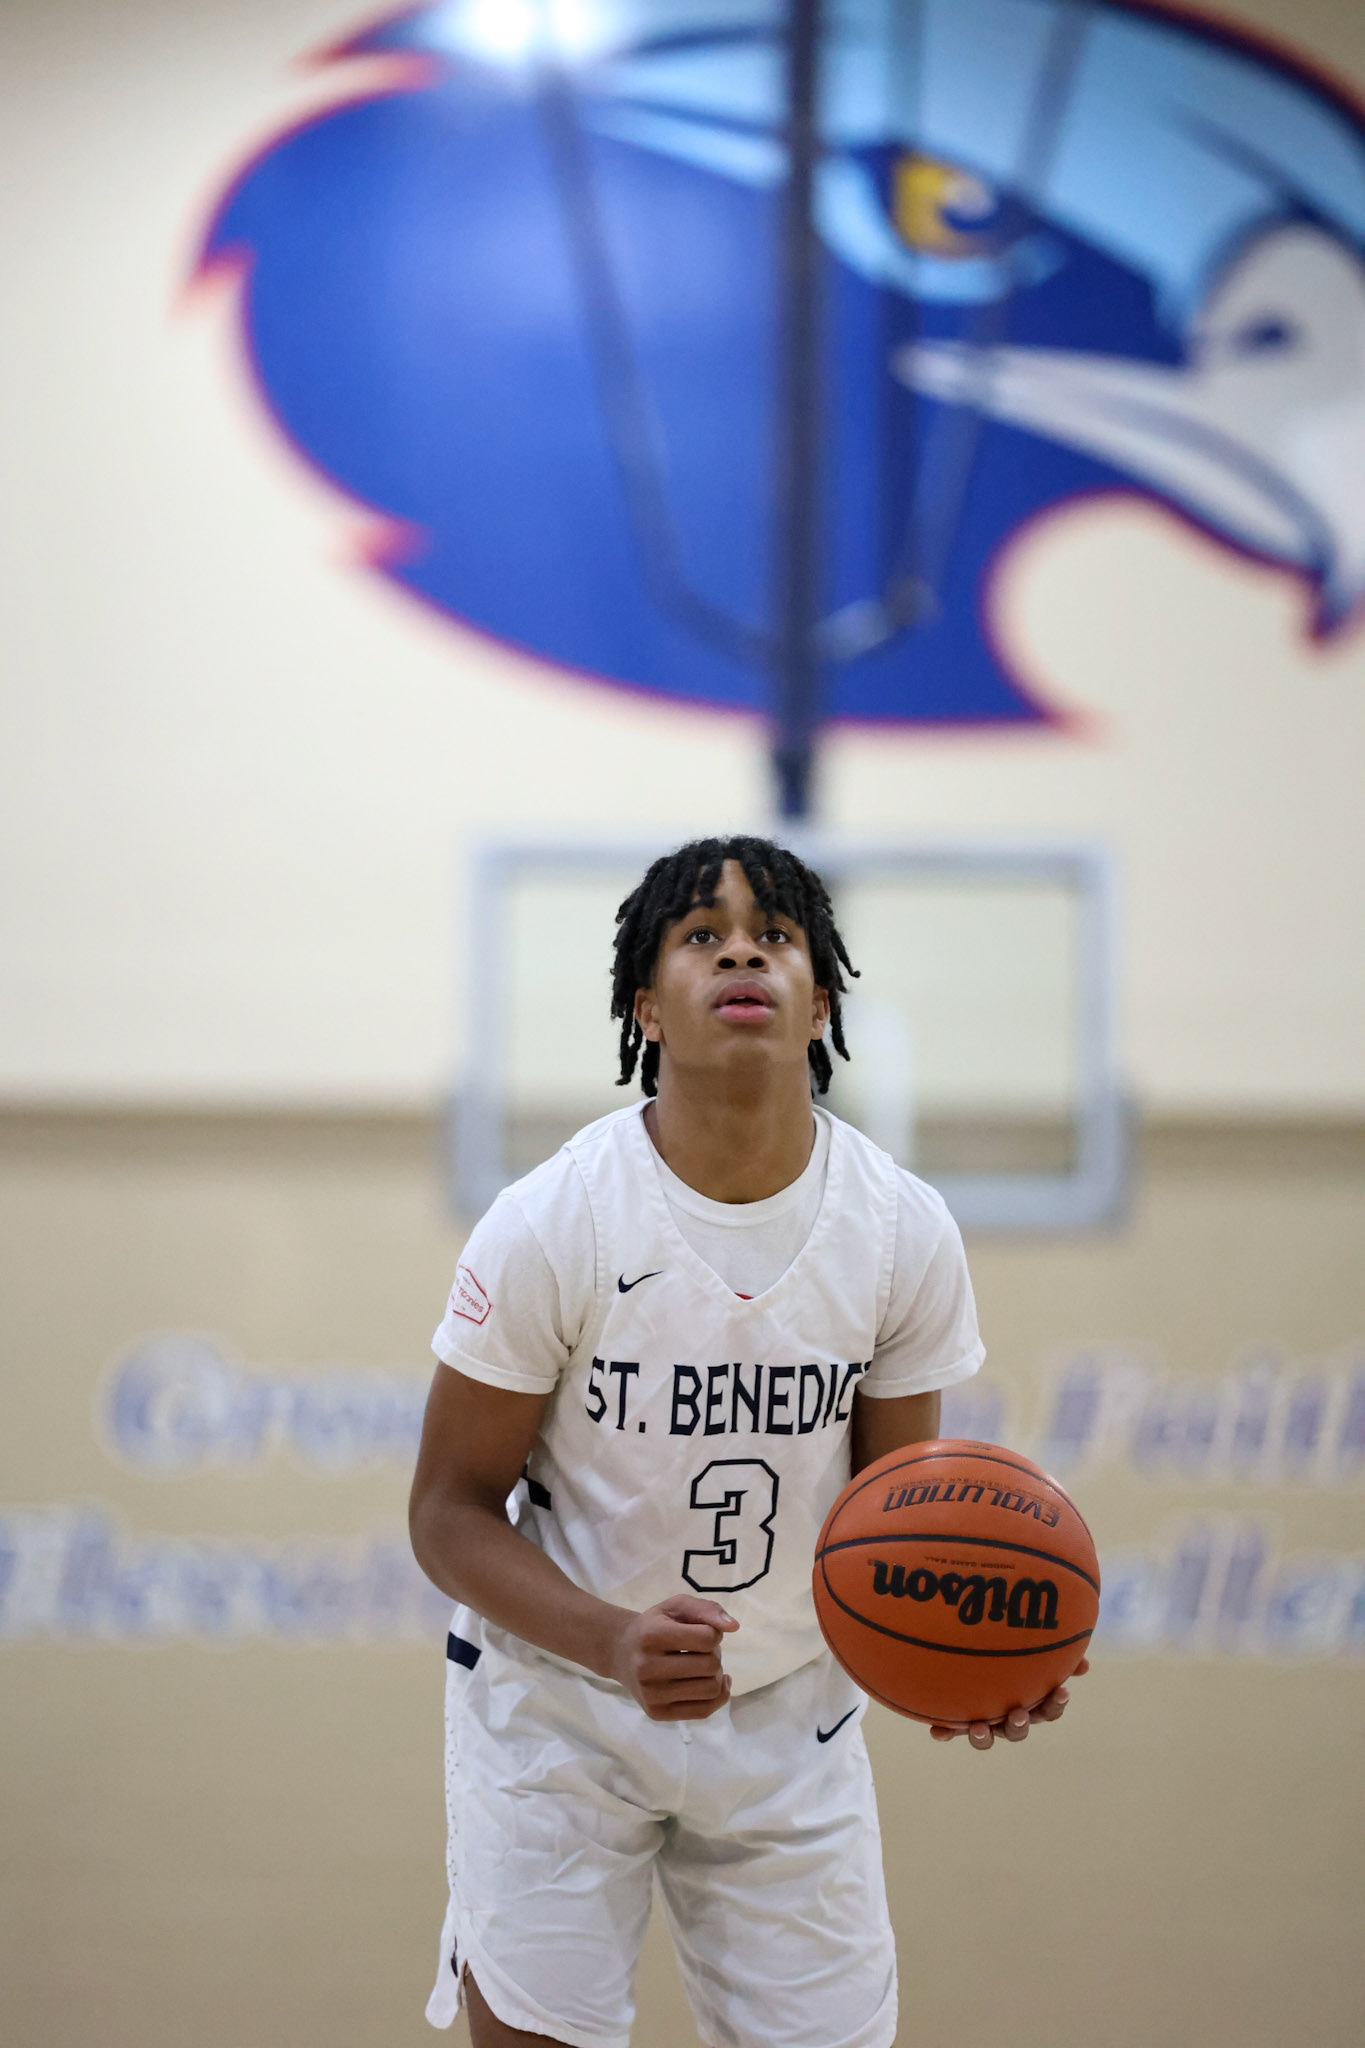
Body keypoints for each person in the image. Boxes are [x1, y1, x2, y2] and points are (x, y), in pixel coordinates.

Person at [410, 834, 1082, 2048]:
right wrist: (613, 1637)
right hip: (561, 1707)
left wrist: (969, 1660)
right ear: (643, 1005)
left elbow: (896, 1523)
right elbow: (447, 1513)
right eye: (702, 933)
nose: (742, 951)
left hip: (788, 1718)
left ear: (820, 998)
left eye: (775, 935)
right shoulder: (552, 1221)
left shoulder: (900, 1232)